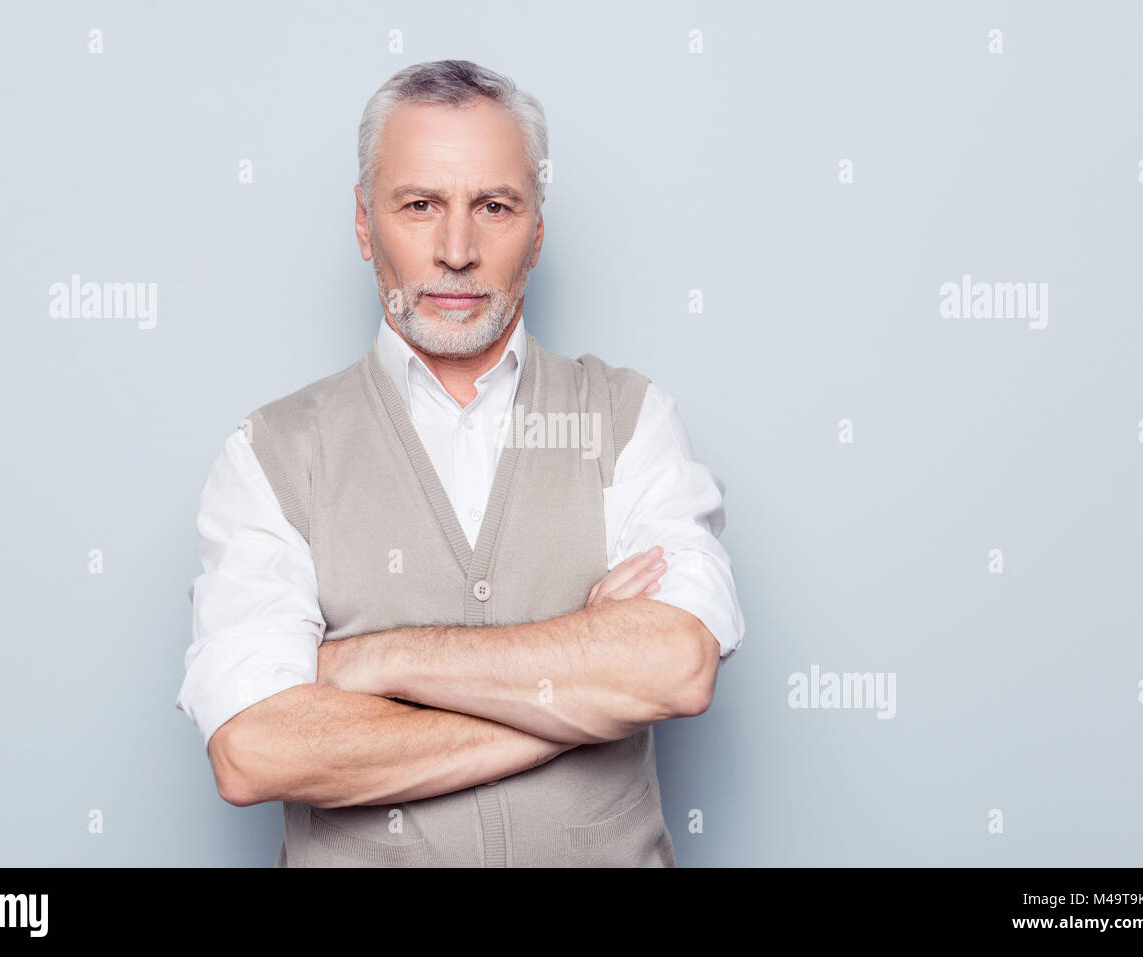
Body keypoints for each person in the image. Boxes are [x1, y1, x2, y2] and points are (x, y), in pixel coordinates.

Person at [175, 59, 745, 867]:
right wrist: (582, 682)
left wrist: (376, 660)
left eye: (494, 206)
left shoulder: (629, 419)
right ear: (366, 224)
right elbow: (255, 750)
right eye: (420, 205)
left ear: (538, 227)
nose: (456, 249)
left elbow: (678, 664)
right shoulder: (270, 454)